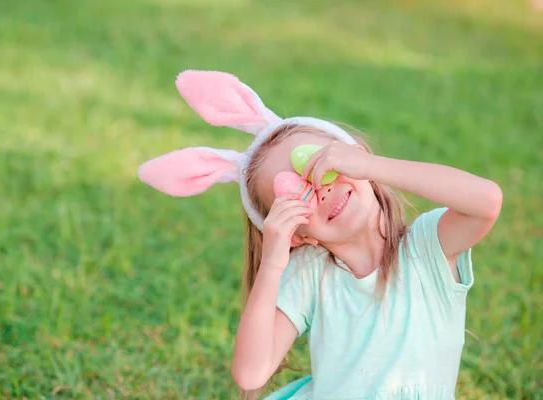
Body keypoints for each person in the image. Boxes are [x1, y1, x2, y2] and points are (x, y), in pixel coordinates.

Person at [138, 70, 503, 400]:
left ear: (354, 158)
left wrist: (370, 166)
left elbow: (486, 201)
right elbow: (250, 374)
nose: (321, 190)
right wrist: (272, 263)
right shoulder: (312, 274)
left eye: (323, 166)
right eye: (295, 197)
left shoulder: (426, 251)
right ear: (298, 235)